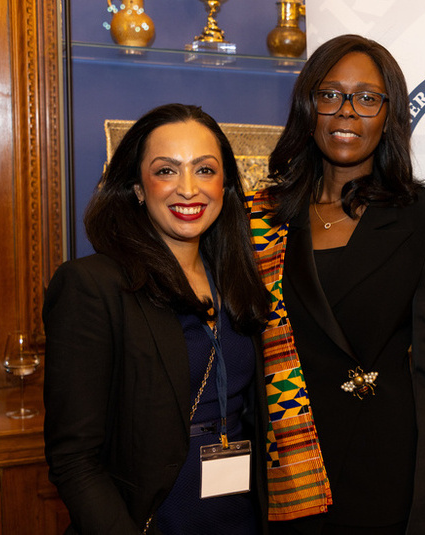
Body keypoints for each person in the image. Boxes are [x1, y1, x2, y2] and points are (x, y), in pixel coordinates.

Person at [246, 34, 425, 535]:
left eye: (366, 98)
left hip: (379, 469)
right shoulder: (258, 217)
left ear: (389, 115)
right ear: (308, 104)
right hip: (279, 466)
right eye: (330, 94)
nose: (346, 112)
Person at [43, 103, 270, 534]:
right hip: (153, 519)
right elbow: (74, 460)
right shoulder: (93, 286)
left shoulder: (238, 278)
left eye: (205, 170)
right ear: (138, 188)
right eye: (166, 170)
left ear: (226, 185)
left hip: (240, 518)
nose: (188, 189)